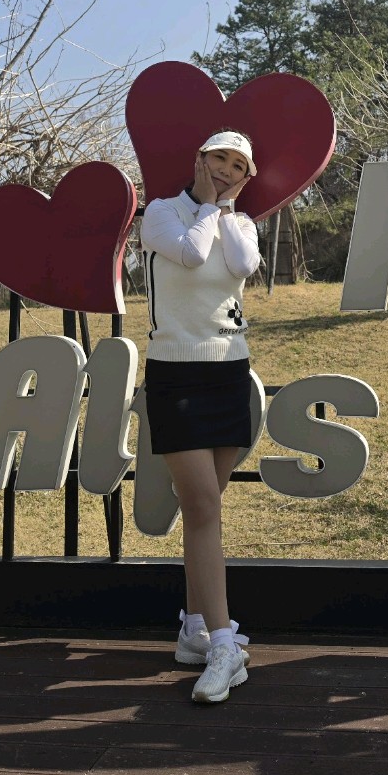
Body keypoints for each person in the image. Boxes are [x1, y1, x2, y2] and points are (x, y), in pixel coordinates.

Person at [140, 129, 261, 704]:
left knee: (203, 511)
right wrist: (210, 206)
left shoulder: (241, 224)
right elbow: (189, 254)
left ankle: (194, 628)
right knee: (203, 505)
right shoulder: (161, 213)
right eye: (220, 159)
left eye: (239, 166)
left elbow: (242, 264)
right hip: (174, 374)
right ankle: (224, 645)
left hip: (229, 372)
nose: (228, 170)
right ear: (199, 158)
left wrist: (225, 211)